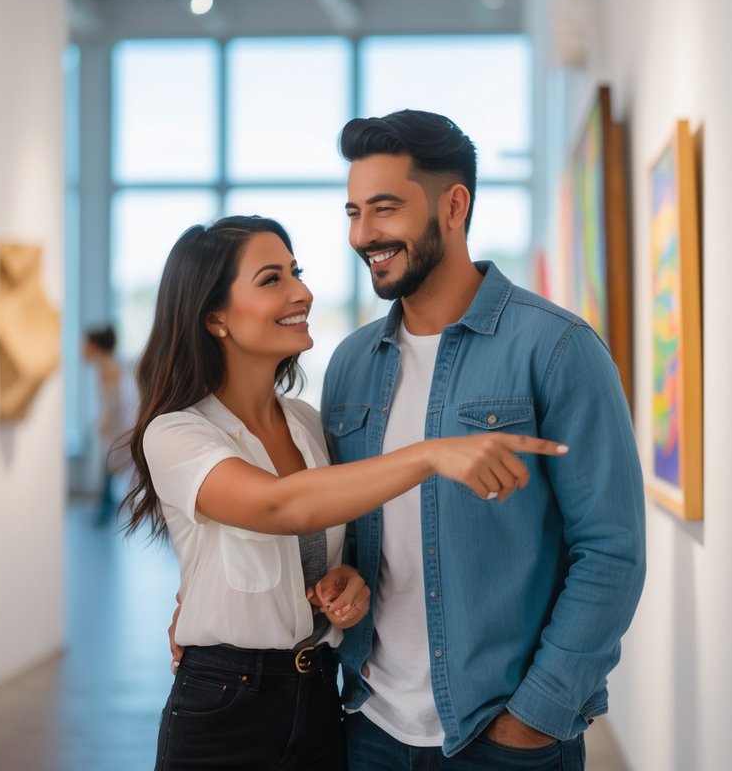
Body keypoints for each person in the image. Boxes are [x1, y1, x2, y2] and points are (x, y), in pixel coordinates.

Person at [125, 215, 570, 771]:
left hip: (319, 698)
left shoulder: (309, 424)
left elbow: (330, 536)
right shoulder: (176, 432)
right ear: (215, 317)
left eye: (297, 271)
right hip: (224, 706)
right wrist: (433, 453)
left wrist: (348, 585)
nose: (302, 292)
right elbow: (280, 506)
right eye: (272, 279)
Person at [323, 109, 647, 770]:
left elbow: (611, 551)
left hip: (501, 737)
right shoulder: (351, 364)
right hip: (369, 725)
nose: (363, 235)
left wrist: (536, 714)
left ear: (453, 205)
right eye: (353, 212)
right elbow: (350, 535)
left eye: (383, 210)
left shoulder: (555, 348)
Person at [82, 325, 137, 525]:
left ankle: (106, 508)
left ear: (95, 346)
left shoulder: (108, 368)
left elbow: (116, 401)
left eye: (85, 344)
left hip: (119, 428)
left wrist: (104, 422)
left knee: (109, 468)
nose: (82, 349)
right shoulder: (109, 366)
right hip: (119, 427)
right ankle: (106, 506)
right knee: (108, 469)